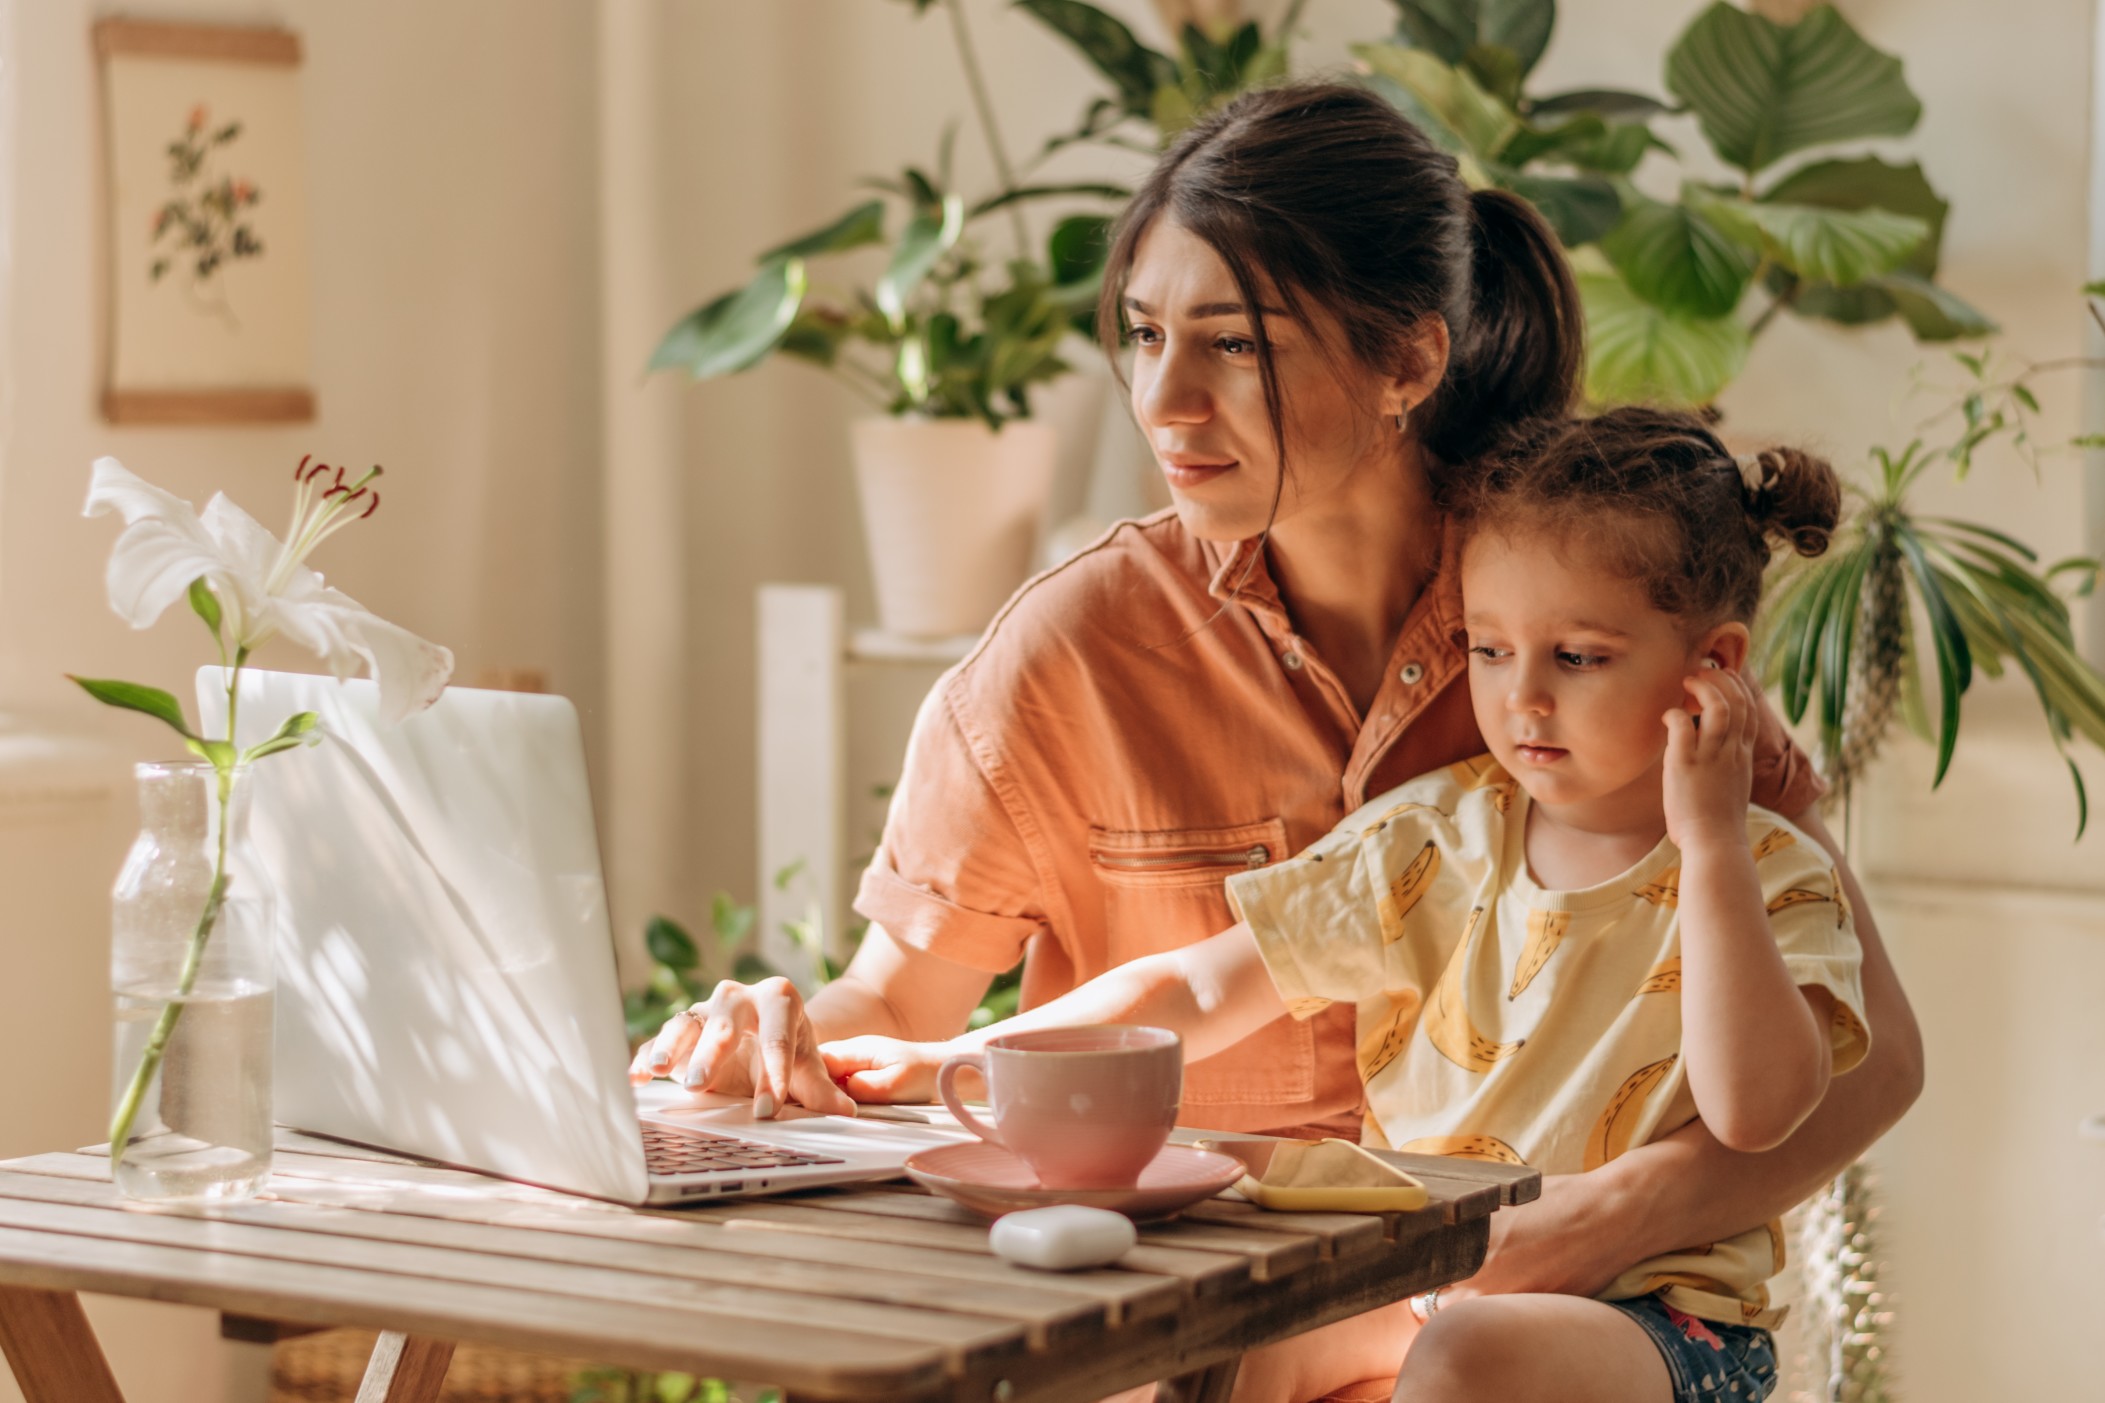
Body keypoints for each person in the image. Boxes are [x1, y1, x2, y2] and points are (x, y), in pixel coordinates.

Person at [635, 81, 1923, 1397]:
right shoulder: (1069, 650)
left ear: (1407, 363)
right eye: (1141, 333)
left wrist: (1609, 1215)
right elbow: (905, 1012)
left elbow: (1870, 1057)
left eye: (1232, 344)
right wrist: (779, 1043)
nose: (1164, 398)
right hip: (1202, 1327)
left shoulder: (1600, 635)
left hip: (1534, 1332)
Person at [813, 407, 1868, 1403]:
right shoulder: (1430, 836)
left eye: (1576, 657)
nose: (1522, 698)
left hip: (1662, 1324)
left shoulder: (1770, 870)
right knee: (1205, 1338)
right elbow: (1194, 983)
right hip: (1429, 1282)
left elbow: (1755, 1110)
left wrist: (1713, 844)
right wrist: (976, 1059)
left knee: (1465, 1354)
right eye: (1489, 651)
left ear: (1711, 669)